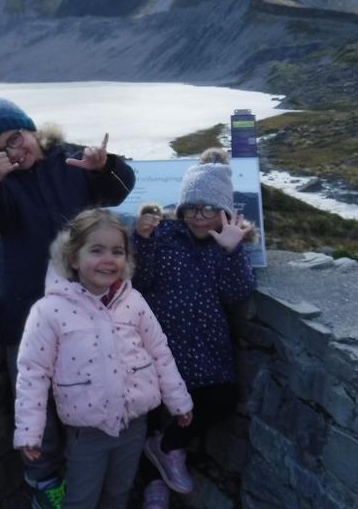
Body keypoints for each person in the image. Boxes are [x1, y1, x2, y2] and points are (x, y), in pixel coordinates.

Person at [0, 90, 136, 509]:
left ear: (32, 130)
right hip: (27, 314)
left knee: (84, 398)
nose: (15, 148)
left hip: (85, 308)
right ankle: (45, 485)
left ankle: (87, 481)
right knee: (37, 407)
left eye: (18, 135)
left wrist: (105, 168)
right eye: (2, 144)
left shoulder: (70, 163)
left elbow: (118, 192)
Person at [14, 209, 194, 509]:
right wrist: (30, 431)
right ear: (73, 258)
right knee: (81, 499)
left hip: (134, 424)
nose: (108, 259)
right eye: (96, 250)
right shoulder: (49, 311)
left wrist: (179, 402)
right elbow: (32, 374)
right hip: (87, 432)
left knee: (119, 492)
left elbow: (159, 352)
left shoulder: (134, 302)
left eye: (117, 251)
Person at [132, 147, 257, 508]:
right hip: (158, 341)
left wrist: (232, 251)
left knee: (221, 397)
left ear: (224, 210)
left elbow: (238, 292)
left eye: (207, 209)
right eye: (191, 208)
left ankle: (169, 447)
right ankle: (154, 486)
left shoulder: (231, 241)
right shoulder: (165, 235)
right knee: (153, 409)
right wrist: (142, 240)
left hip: (206, 344)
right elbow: (141, 279)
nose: (197, 218)